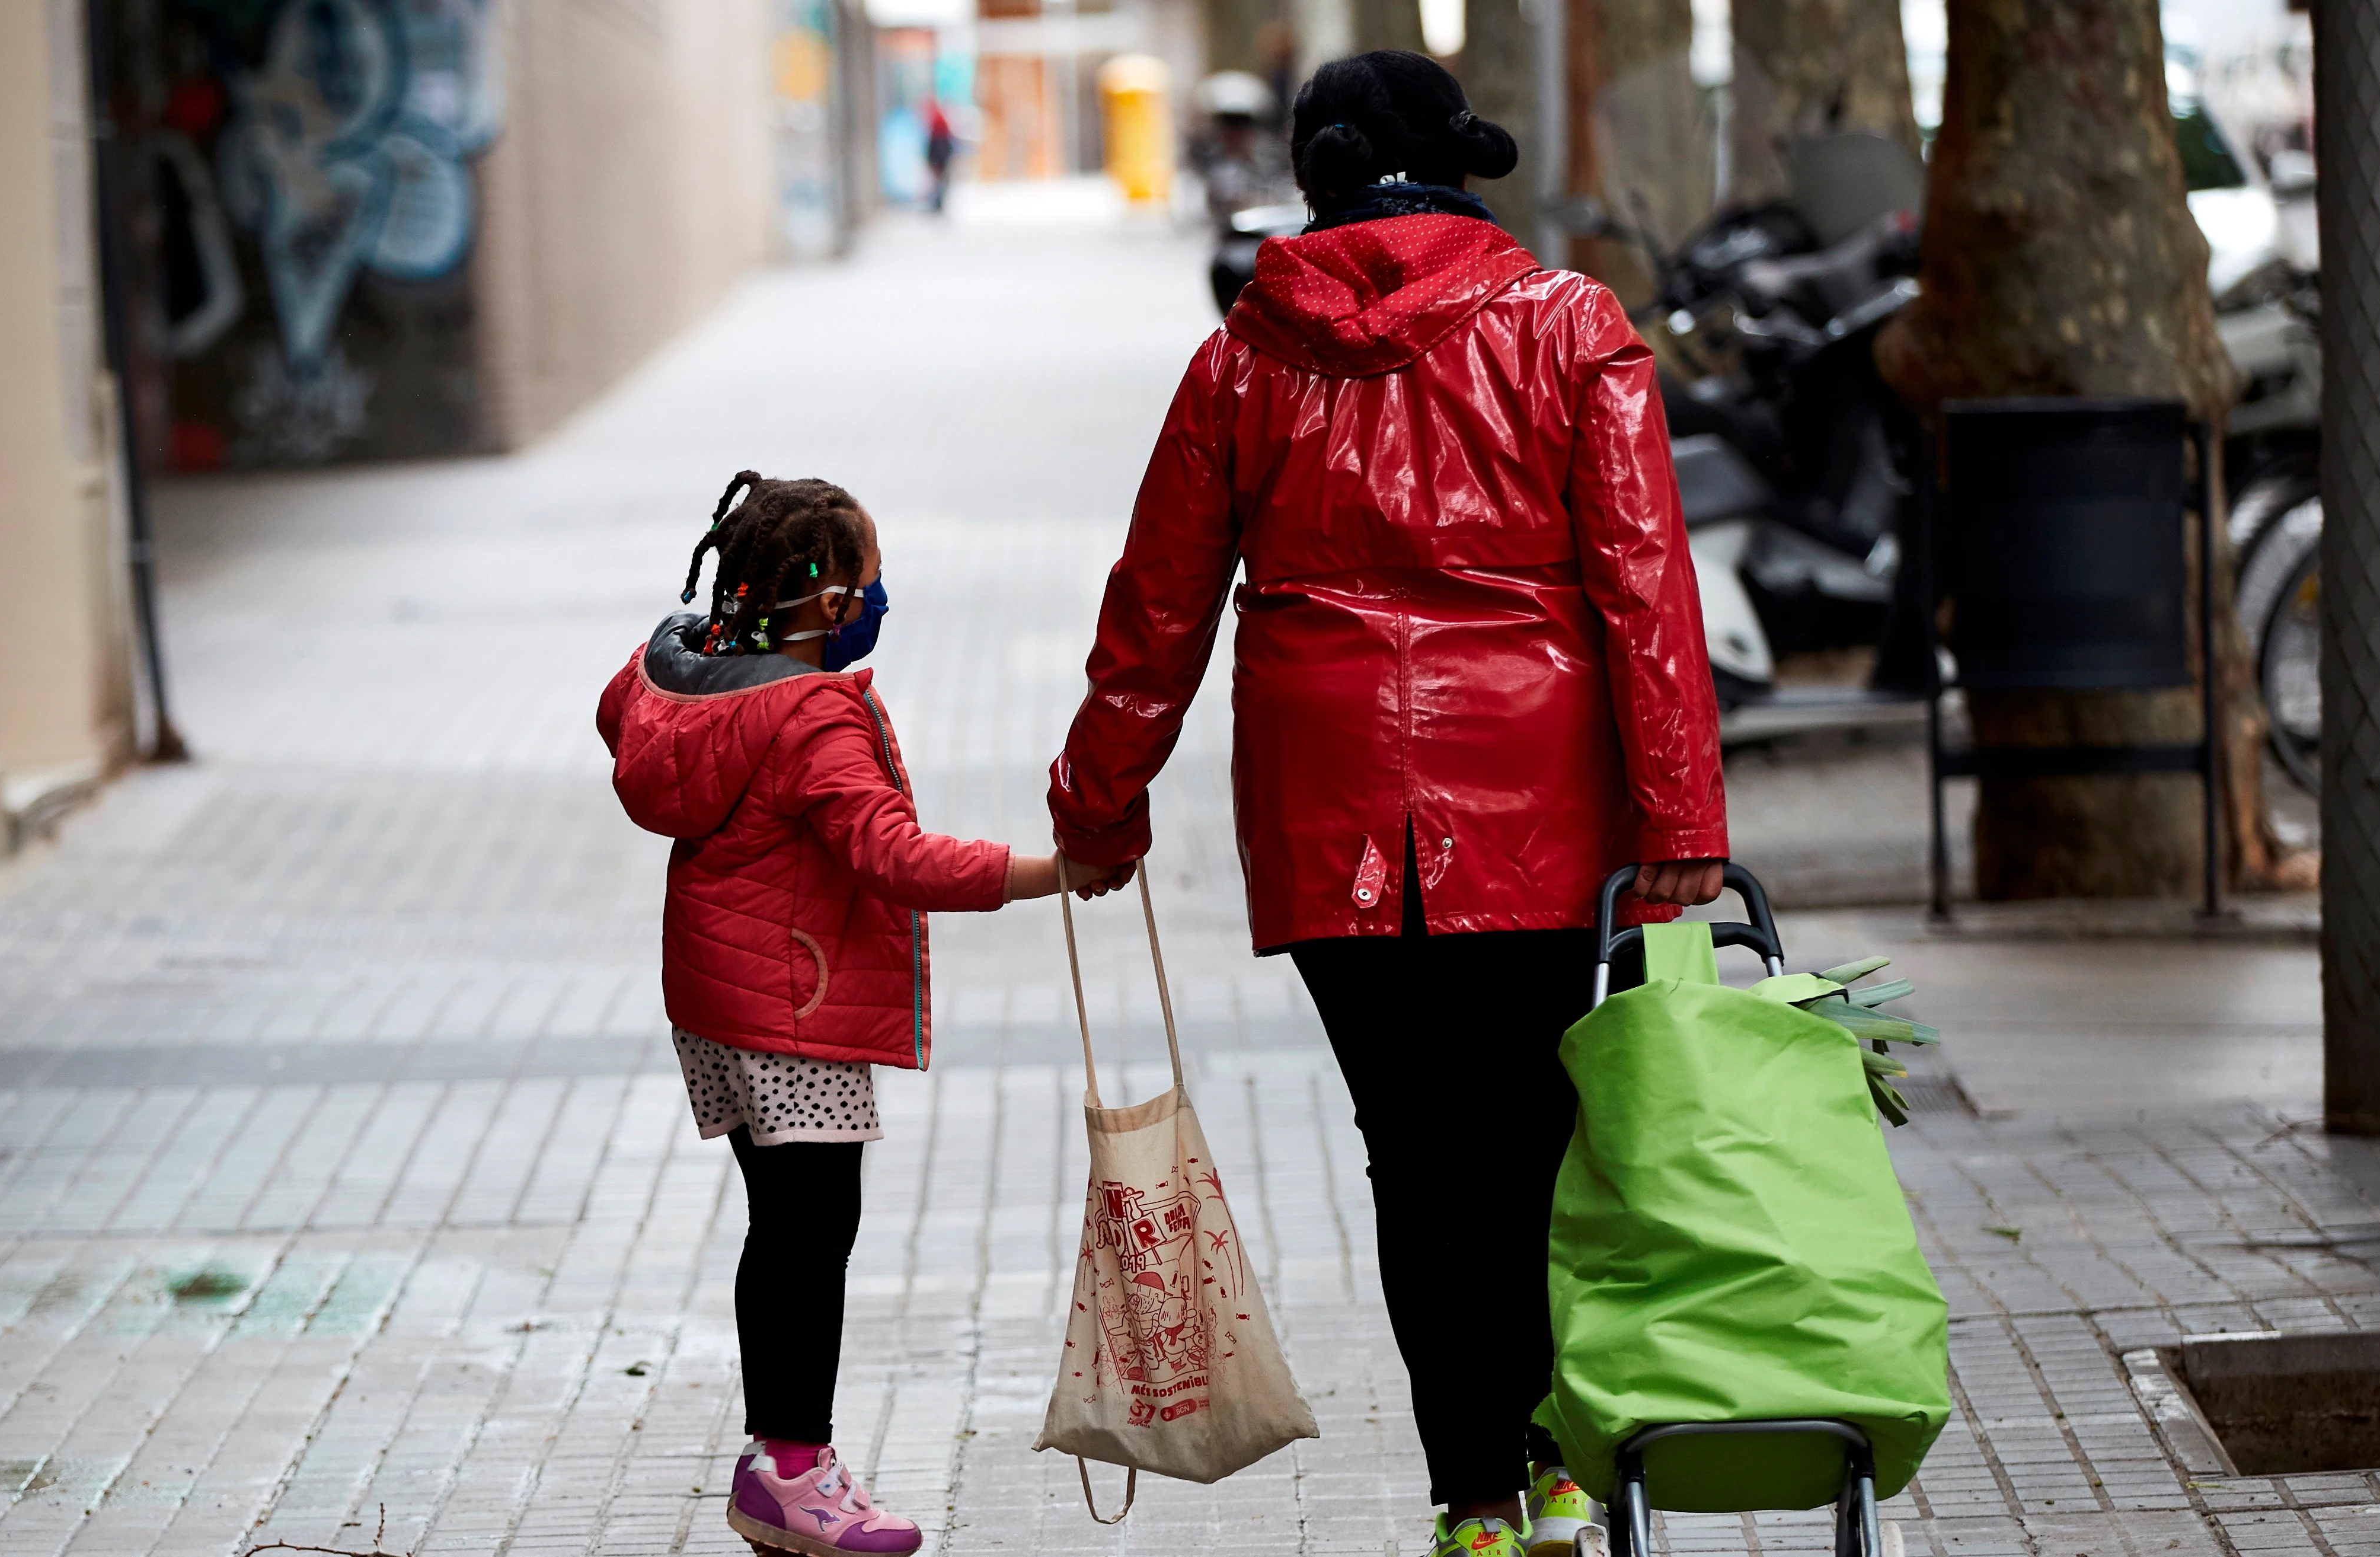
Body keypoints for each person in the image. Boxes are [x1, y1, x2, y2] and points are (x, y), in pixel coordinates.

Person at [1044, 51, 1728, 1557]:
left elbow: (1158, 604)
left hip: (1329, 798)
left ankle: (1474, 1495)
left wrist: (1101, 802)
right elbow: (1645, 586)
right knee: (1545, 1131)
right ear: (1460, 163)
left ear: (1315, 174)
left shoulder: (1243, 358)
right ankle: (1555, 1464)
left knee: (1413, 1151)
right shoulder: (1570, 327)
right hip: (1540, 797)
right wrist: (1682, 822)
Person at [598, 471, 1114, 1557]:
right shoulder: (811, 713)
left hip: (717, 999)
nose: (881, 599)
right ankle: (794, 1466)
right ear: (830, 604)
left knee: (781, 1222)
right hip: (792, 1004)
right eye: (871, 581)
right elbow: (893, 855)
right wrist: (1052, 871)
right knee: (811, 1231)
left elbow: (622, 711)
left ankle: (775, 1462)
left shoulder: (687, 681)